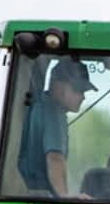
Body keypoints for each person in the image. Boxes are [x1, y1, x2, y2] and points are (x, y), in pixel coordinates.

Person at [16, 56, 94, 196]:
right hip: (44, 201)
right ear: (57, 85)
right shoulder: (54, 112)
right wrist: (64, 199)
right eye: (78, 89)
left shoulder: (37, 106)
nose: (83, 97)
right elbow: (55, 158)